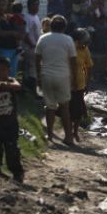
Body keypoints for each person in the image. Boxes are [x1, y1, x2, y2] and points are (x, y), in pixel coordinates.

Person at [35, 15, 78, 146]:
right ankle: (69, 137)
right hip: (63, 76)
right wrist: (74, 78)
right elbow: (73, 61)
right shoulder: (68, 39)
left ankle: (49, 135)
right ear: (64, 27)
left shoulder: (43, 38)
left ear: (51, 26)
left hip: (46, 75)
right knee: (65, 107)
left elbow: (37, 59)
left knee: (50, 107)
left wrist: (38, 77)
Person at [0, 57, 25, 182]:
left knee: (11, 147)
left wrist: (7, 84)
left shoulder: (11, 82)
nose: (0, 73)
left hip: (11, 123)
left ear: (8, 70)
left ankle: (17, 172)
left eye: (3, 70)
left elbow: (18, 86)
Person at [0, 0, 23, 78]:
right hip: (3, 49)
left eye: (3, 5)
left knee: (12, 74)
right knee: (2, 74)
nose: (1, 7)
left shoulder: (8, 17)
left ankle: (11, 90)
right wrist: (12, 33)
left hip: (14, 49)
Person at [70, 29, 93, 142]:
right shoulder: (70, 47)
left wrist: (87, 83)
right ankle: (69, 131)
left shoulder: (85, 49)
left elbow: (89, 66)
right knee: (68, 108)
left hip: (80, 84)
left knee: (79, 109)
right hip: (67, 82)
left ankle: (75, 131)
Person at [23, 0, 43, 90]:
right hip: (30, 47)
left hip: (36, 46)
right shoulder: (27, 17)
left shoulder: (36, 17)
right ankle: (32, 90)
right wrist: (32, 45)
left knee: (34, 68)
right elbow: (25, 33)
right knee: (32, 69)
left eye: (37, 5)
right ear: (29, 6)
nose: (37, 7)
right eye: (35, 5)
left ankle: (33, 89)